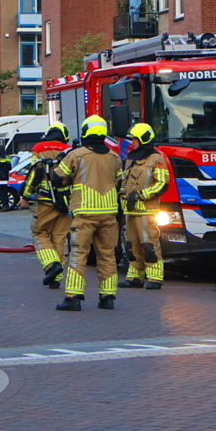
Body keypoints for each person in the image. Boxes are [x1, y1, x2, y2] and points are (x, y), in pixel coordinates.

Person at [53, 115, 122, 311]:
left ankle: (73, 298)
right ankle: (108, 297)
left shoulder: (76, 155)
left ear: (85, 132)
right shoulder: (114, 157)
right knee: (107, 255)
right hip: (109, 214)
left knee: (78, 254)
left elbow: (58, 178)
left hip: (84, 214)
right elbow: (119, 182)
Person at [20, 123, 73, 288]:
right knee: (59, 237)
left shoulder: (39, 148)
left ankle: (51, 265)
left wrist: (25, 196)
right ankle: (56, 279)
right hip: (66, 202)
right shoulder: (70, 150)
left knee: (39, 233)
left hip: (45, 201)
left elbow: (34, 172)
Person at [118, 123, 169, 290]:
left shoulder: (157, 158)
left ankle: (155, 277)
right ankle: (135, 276)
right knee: (131, 245)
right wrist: (122, 195)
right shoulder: (131, 158)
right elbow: (125, 182)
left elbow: (162, 184)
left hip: (147, 210)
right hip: (130, 210)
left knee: (149, 244)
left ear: (143, 139)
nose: (132, 142)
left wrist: (141, 195)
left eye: (135, 139)